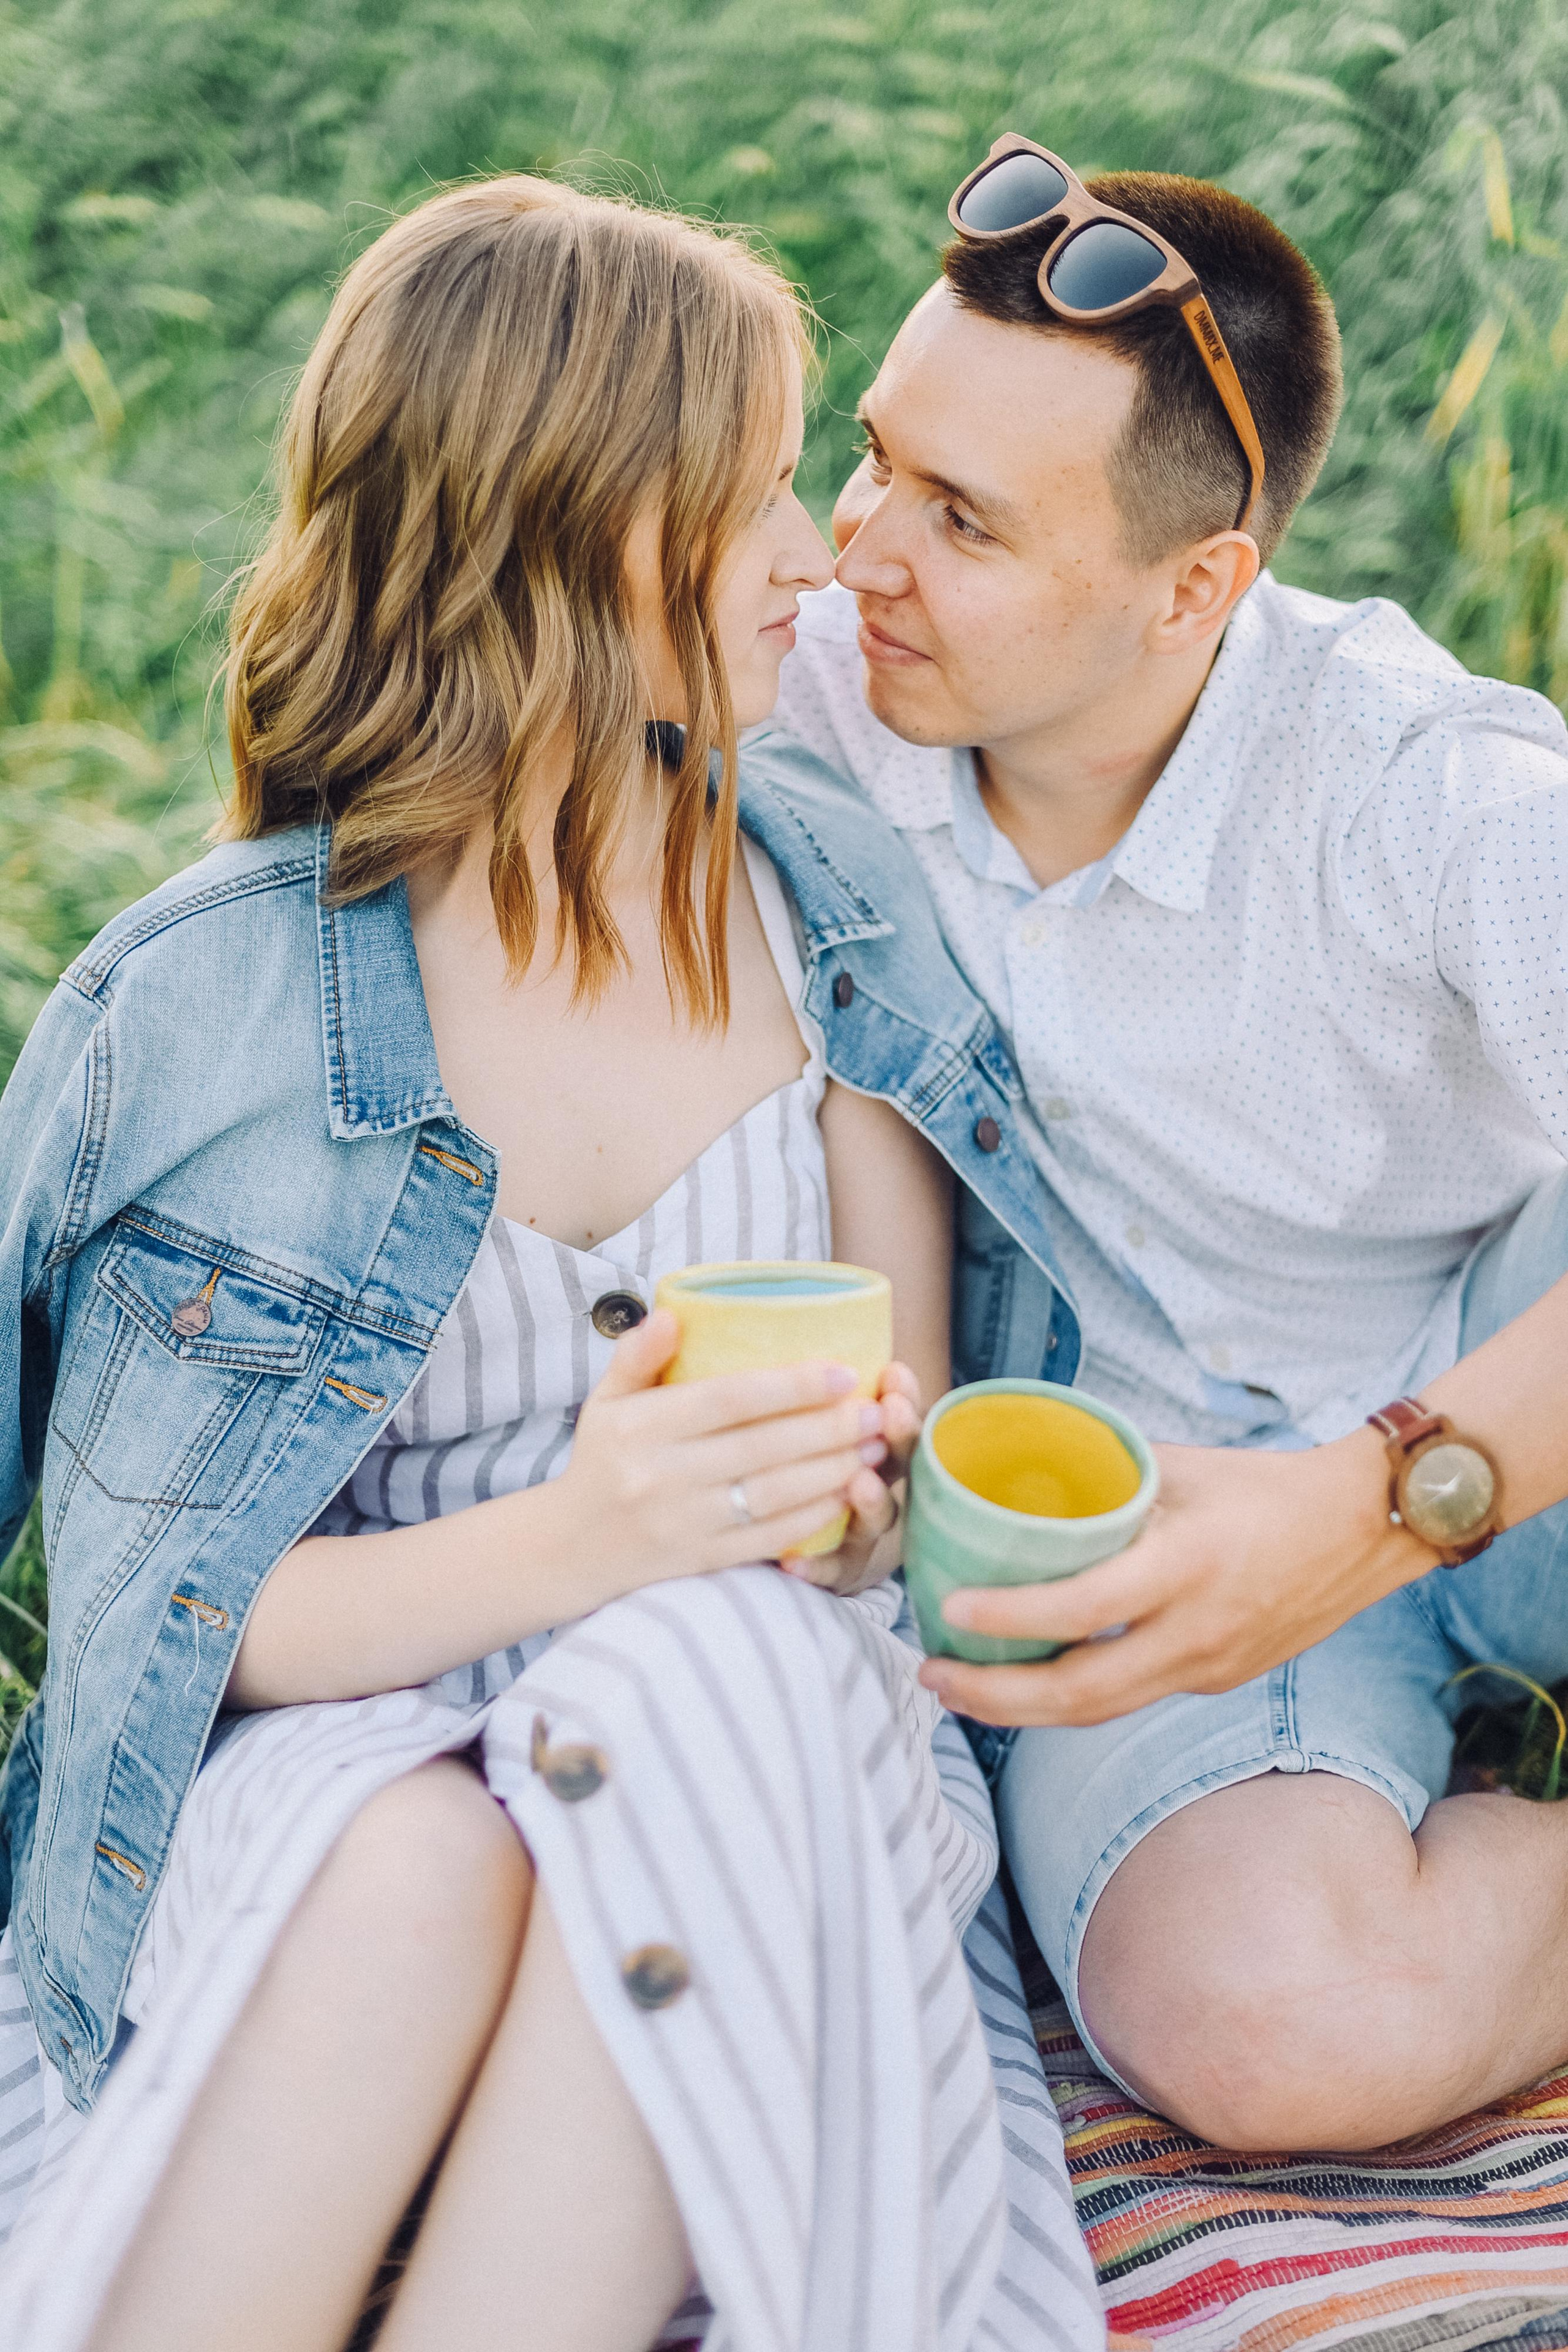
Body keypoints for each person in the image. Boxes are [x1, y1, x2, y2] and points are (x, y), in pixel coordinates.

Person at [0, 178, 1105, 2352]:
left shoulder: (830, 911)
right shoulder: (214, 1020)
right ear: (583, 536)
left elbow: (870, 1510)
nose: (819, 558)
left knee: (719, 1678)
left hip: (759, 1732)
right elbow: (172, 1633)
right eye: (759, 491)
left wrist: (860, 1499)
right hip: (360, 1752)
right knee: (423, 1861)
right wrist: (586, 1531)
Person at [744, 142, 1568, 2155]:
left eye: (964, 520)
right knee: (1275, 2031)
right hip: (1119, 1486)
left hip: (1497, 1391)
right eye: (875, 457)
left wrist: (1387, 1501)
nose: (860, 552)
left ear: (1198, 584)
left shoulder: (1430, 788)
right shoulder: (819, 696)